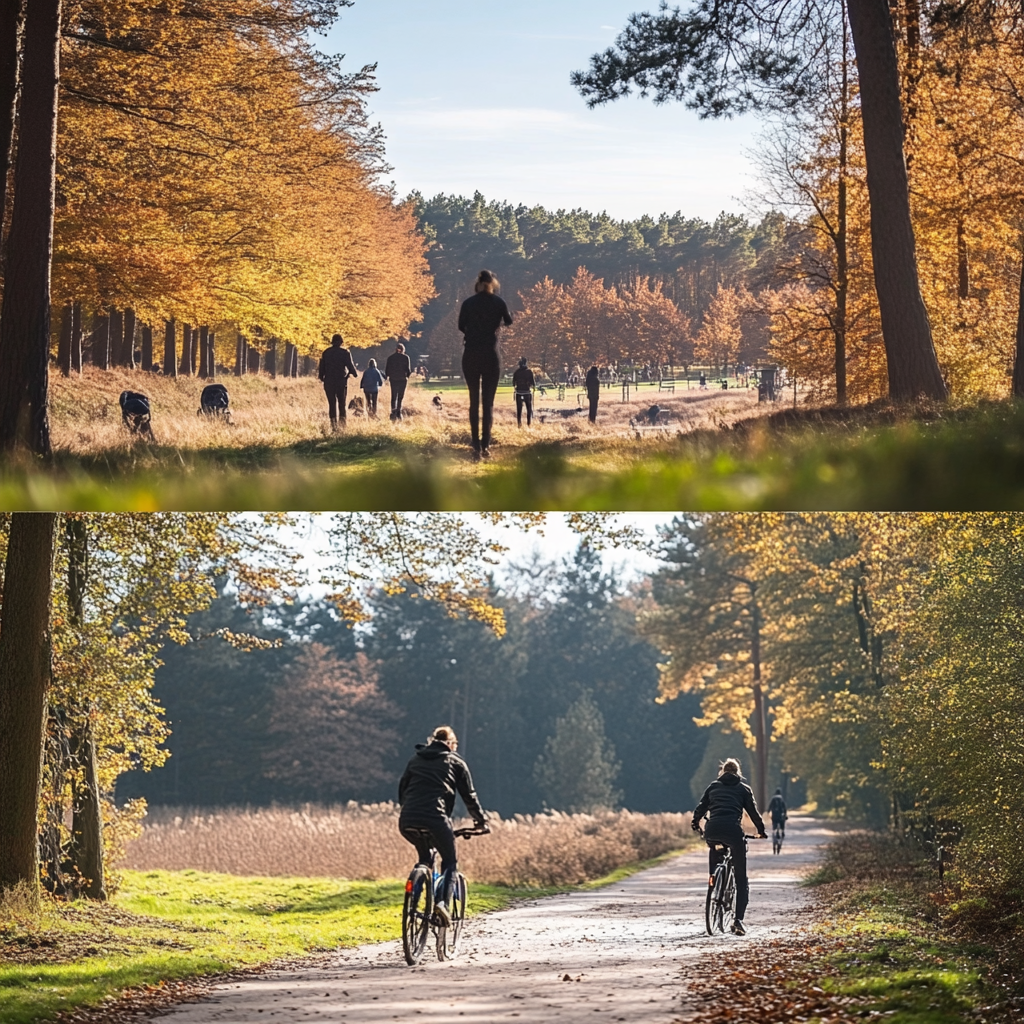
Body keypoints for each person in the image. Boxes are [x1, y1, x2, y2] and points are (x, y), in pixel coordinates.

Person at [398, 725, 487, 926]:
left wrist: (408, 810)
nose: (455, 748)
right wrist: (480, 822)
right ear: (449, 743)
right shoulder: (455, 762)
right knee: (450, 862)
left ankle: (414, 902)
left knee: (425, 857)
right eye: (454, 744)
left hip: (407, 820)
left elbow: (402, 789)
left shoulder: (415, 759)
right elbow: (469, 796)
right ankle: (442, 905)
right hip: (435, 818)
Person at [691, 758, 767, 935]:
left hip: (712, 830)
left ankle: (713, 882)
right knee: (741, 878)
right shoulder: (743, 789)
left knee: (716, 854)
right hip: (733, 831)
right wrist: (761, 831)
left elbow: (701, 808)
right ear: (738, 773)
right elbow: (753, 813)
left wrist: (696, 823)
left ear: (722, 772)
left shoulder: (713, 786)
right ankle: (738, 921)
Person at [458, 270, 512, 458]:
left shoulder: (468, 303)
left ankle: (475, 444)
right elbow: (509, 321)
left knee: (474, 400)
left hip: (471, 353)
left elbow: (460, 325)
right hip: (490, 354)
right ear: (492, 283)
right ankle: (486, 444)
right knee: (488, 403)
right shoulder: (498, 302)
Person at [318, 333, 357, 429]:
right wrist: (353, 373)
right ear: (341, 342)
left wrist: (322, 377)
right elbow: (350, 366)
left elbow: (321, 368)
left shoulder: (326, 352)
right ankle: (343, 425)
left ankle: (333, 425)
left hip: (329, 382)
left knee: (332, 404)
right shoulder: (345, 352)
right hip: (341, 381)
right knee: (342, 403)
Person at [385, 342, 413, 421]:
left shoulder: (390, 358)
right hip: (402, 379)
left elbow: (387, 370)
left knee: (394, 396)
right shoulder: (406, 358)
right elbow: (408, 370)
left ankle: (393, 412)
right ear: (403, 350)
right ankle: (398, 412)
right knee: (400, 397)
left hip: (393, 379)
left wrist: (388, 376)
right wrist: (407, 376)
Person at [512, 356, 536, 427]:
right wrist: (533, 386)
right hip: (526, 392)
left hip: (518, 392)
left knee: (519, 409)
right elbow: (533, 383)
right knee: (529, 409)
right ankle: (529, 424)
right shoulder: (529, 372)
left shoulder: (516, 372)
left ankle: (519, 424)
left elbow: (513, 383)